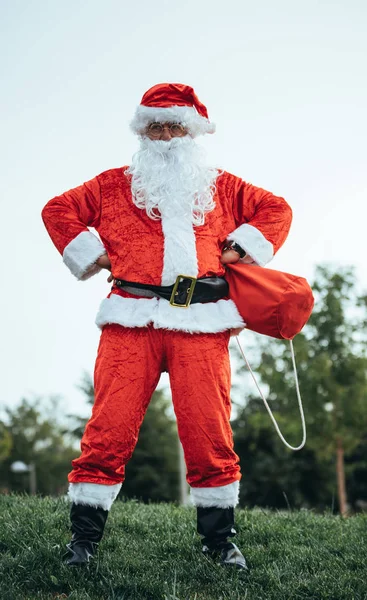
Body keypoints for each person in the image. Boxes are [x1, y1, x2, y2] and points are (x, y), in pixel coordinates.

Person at [42, 82, 292, 570]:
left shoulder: (222, 186)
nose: (163, 134)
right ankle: (83, 542)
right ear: (142, 132)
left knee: (209, 430)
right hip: (130, 319)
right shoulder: (113, 184)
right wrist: (93, 256)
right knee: (108, 428)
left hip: (201, 324)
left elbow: (277, 210)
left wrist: (240, 248)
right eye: (153, 125)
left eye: (173, 125)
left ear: (191, 131)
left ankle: (221, 543)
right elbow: (58, 210)